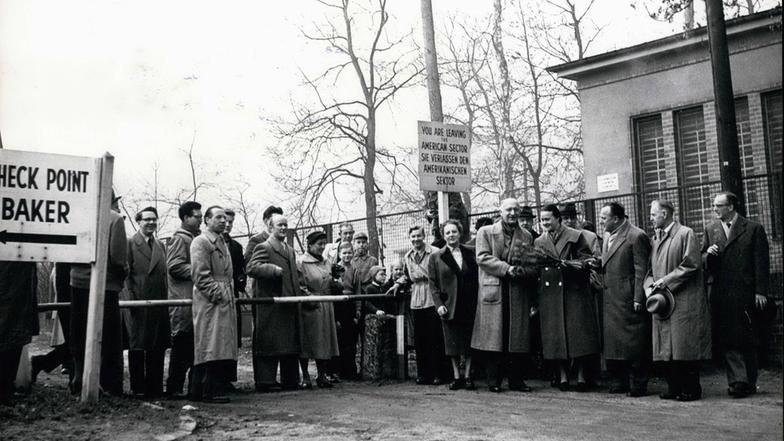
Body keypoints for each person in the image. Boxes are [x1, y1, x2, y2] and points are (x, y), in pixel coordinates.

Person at [702, 191, 770, 398]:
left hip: (745, 293)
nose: (715, 209)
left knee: (746, 337)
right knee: (728, 338)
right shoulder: (711, 229)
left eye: (718, 205)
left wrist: (760, 291)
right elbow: (702, 258)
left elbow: (761, 262)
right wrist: (709, 255)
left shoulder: (753, 228)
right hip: (721, 292)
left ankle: (748, 380)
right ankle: (737, 381)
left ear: (731, 207)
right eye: (714, 206)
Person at [645, 199, 711, 402]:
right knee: (667, 348)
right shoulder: (655, 238)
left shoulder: (685, 234)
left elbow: (691, 264)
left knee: (684, 347)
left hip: (683, 300)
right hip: (663, 302)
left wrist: (666, 281)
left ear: (665, 214)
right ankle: (674, 388)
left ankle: (691, 389)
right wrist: (648, 287)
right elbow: (649, 269)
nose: (651, 218)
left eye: (654, 214)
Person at [472, 199, 537, 393]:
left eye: (516, 210)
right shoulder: (485, 232)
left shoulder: (526, 235)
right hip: (494, 287)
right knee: (494, 336)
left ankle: (517, 380)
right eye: (508, 209)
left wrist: (524, 270)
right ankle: (494, 381)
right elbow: (482, 257)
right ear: (500, 211)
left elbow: (531, 260)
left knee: (516, 337)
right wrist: (507, 269)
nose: (512, 213)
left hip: (517, 290)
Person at [535, 204, 600, 392]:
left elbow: (586, 260)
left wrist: (572, 264)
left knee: (577, 337)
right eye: (542, 219)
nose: (544, 223)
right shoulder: (539, 241)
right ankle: (563, 377)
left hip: (574, 291)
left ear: (558, 218)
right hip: (551, 294)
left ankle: (580, 377)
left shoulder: (575, 236)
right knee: (556, 338)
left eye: (548, 219)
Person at [69, 191, 127, 396]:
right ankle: (101, 383)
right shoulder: (115, 219)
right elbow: (118, 257)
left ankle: (78, 377)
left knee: (79, 330)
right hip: (106, 285)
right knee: (107, 335)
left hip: (77, 282)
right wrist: (122, 275)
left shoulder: (77, 216)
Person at [598, 202, 652, 397]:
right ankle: (620, 382)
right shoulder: (607, 236)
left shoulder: (636, 236)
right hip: (611, 297)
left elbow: (642, 270)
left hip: (628, 298)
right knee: (615, 344)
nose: (601, 220)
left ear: (616, 219)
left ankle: (638, 383)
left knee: (635, 344)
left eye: (604, 217)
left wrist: (638, 297)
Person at [247, 213, 302, 392]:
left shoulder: (291, 250)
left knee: (290, 343)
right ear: (270, 227)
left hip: (289, 303)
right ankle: (265, 381)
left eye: (286, 224)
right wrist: (272, 269)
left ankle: (291, 380)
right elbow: (252, 268)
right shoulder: (264, 247)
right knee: (268, 343)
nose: (284, 228)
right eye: (280, 225)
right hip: (271, 304)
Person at [190, 205, 238, 404]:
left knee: (220, 344)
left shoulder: (221, 242)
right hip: (211, 301)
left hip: (224, 297)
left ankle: (214, 387)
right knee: (209, 344)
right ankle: (204, 390)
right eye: (218, 217)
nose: (223, 221)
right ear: (207, 220)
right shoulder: (201, 242)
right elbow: (200, 275)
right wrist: (218, 294)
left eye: (225, 218)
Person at [124, 206, 170, 398]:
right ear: (139, 222)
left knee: (157, 345)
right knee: (138, 345)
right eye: (147, 219)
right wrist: (130, 300)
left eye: (154, 219)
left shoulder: (160, 245)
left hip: (158, 301)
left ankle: (155, 386)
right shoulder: (130, 243)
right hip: (138, 300)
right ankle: (138, 388)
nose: (151, 223)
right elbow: (125, 275)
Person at [429, 220, 479, 391]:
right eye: (448, 233)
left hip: (469, 304)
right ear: (443, 236)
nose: (451, 235)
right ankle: (456, 376)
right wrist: (439, 305)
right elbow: (433, 284)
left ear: (460, 233)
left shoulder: (470, 253)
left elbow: (476, 277)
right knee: (452, 343)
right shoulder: (436, 257)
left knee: (468, 342)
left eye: (454, 232)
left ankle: (468, 376)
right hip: (448, 305)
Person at [165, 201, 201, 398]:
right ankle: (174, 387)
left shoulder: (196, 237)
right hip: (183, 301)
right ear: (186, 218)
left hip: (195, 300)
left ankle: (193, 388)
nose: (200, 220)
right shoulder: (180, 239)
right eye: (197, 217)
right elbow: (175, 267)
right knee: (182, 345)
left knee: (194, 346)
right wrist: (201, 271)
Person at [296, 230, 340, 389]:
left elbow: (329, 280)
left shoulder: (327, 262)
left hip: (326, 304)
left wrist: (335, 285)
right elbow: (299, 286)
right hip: (310, 305)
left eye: (323, 244)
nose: (322, 247)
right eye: (318, 244)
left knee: (324, 340)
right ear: (310, 245)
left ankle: (322, 375)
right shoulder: (301, 262)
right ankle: (306, 377)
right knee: (307, 340)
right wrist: (310, 298)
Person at [404, 225, 447, 386]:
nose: (416, 239)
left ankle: (438, 373)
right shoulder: (408, 256)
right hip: (416, 299)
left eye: (418, 236)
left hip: (432, 296)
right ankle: (423, 374)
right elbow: (406, 276)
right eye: (413, 236)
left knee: (434, 337)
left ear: (424, 236)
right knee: (420, 338)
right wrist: (398, 284)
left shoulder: (435, 252)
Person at [0, 262, 38, 404]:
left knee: (17, 326)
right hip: (13, 270)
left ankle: (6, 386)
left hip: (20, 268)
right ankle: (5, 387)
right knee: (12, 325)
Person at [223, 208, 247, 391]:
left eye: (231, 222)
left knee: (233, 338)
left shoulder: (236, 247)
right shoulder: (207, 242)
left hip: (233, 296)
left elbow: (241, 270)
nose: (228, 225)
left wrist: (240, 280)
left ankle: (229, 378)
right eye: (225, 221)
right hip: (217, 296)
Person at [333, 242, 361, 380]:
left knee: (351, 340)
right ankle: (337, 370)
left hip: (350, 304)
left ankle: (350, 370)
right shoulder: (334, 268)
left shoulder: (355, 270)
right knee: (339, 339)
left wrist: (357, 311)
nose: (347, 255)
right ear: (339, 254)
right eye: (344, 253)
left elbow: (358, 291)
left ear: (353, 253)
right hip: (338, 304)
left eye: (349, 252)